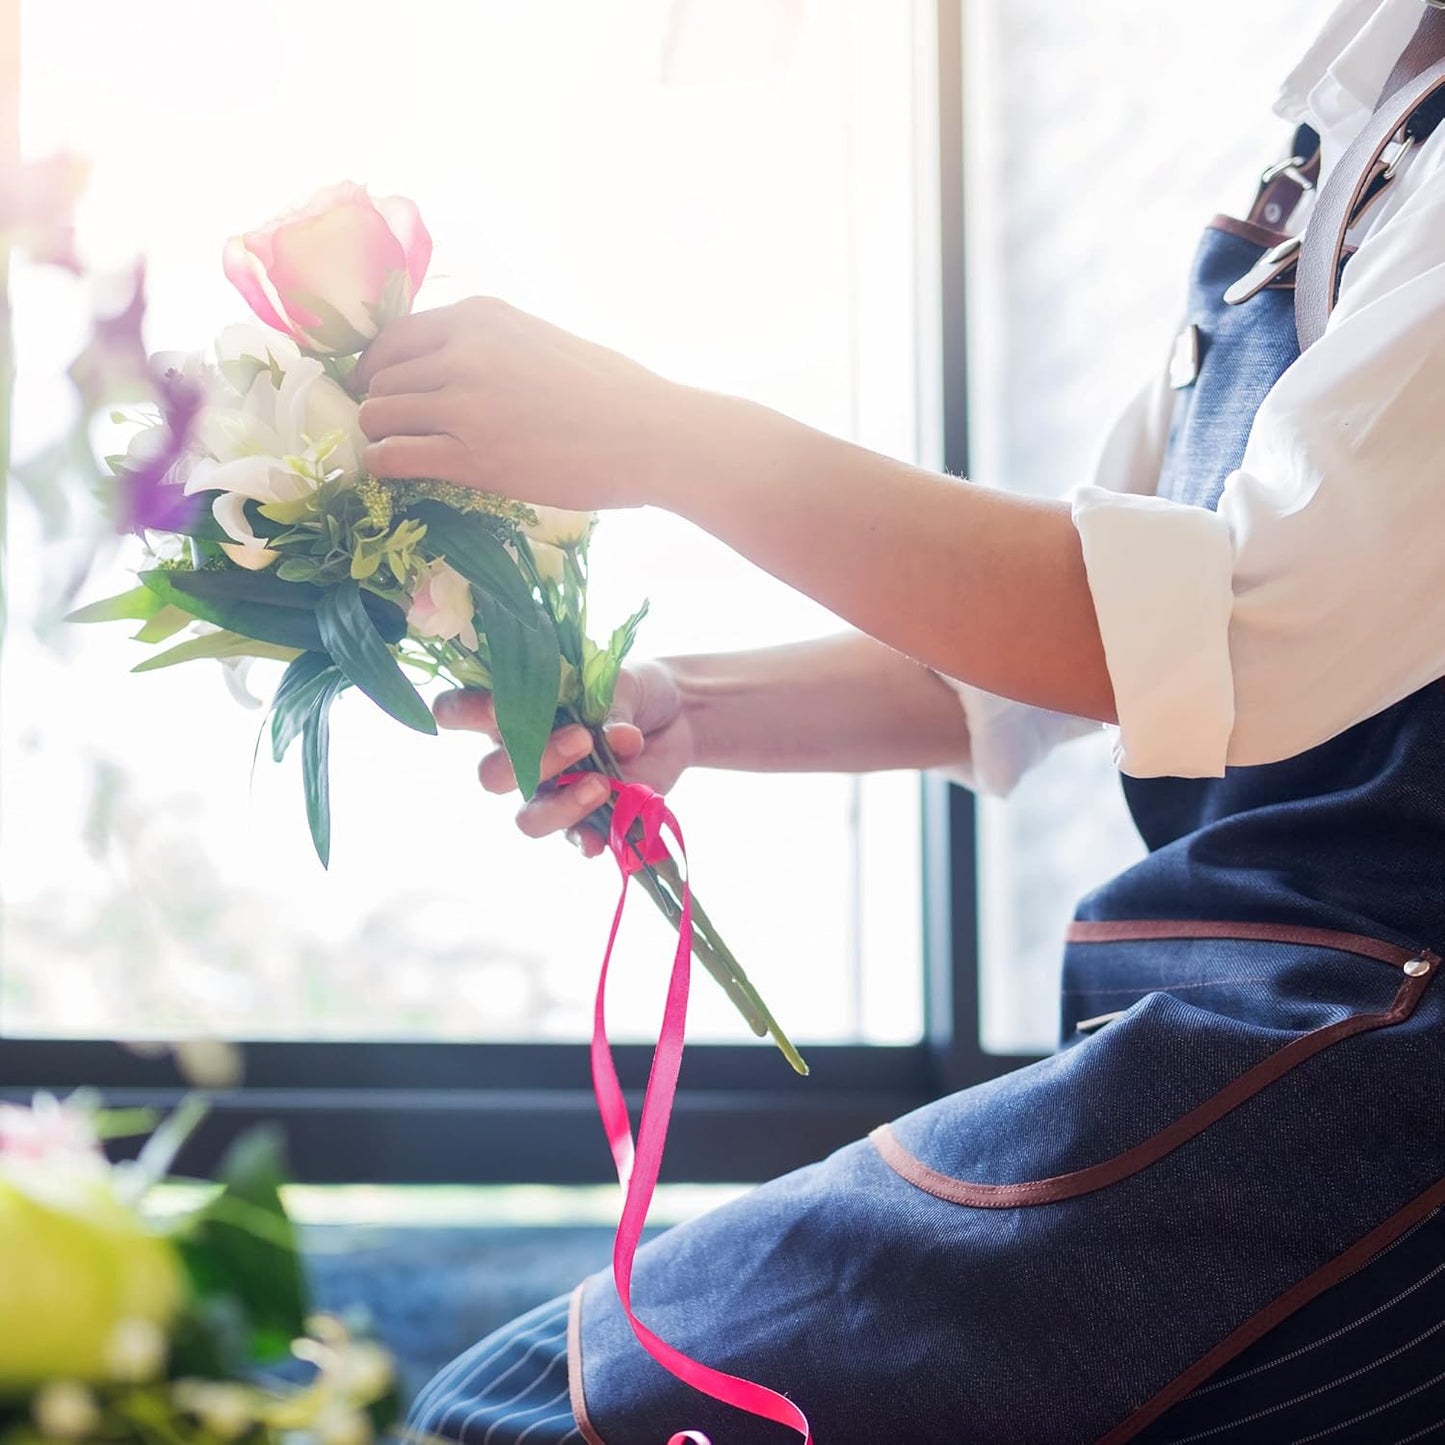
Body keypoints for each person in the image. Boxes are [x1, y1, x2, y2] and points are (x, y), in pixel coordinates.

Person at [359, 2, 1445, 1439]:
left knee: (530, 1421)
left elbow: (1207, 626)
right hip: (1226, 1017)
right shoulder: (1334, 126)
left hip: (1373, 1057)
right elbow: (1056, 627)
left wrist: (664, 435)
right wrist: (690, 705)